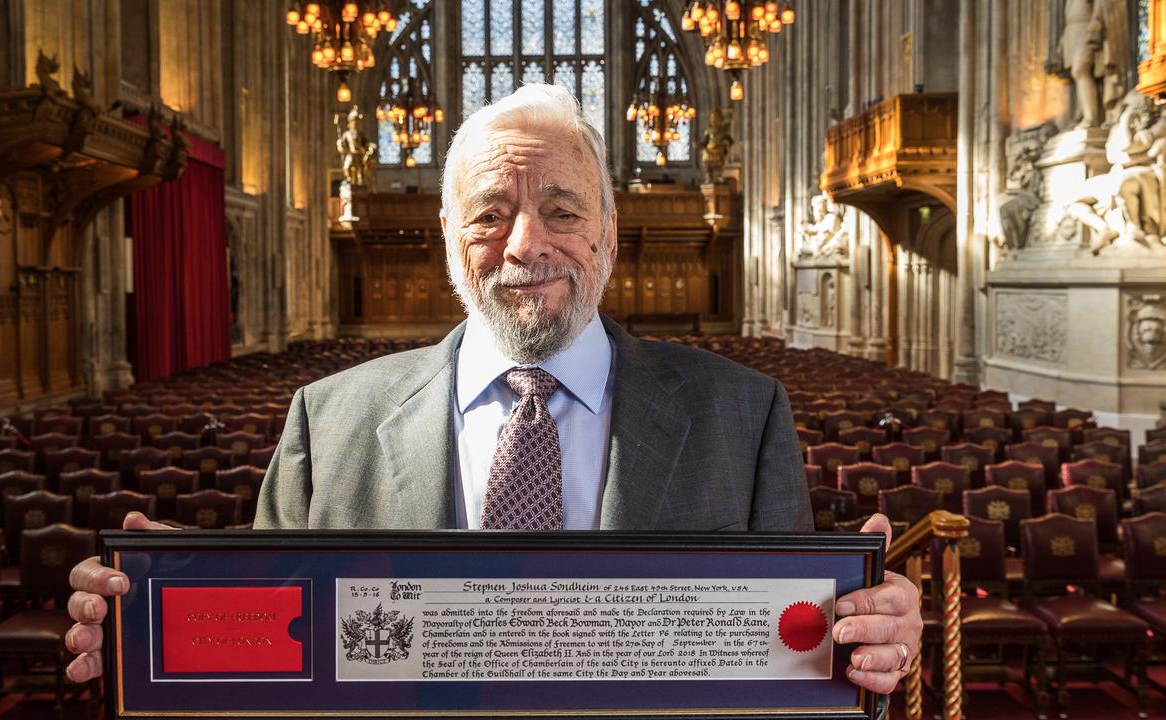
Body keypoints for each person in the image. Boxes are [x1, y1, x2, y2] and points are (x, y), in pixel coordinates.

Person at [65, 84, 922, 699]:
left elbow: (793, 664)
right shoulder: (330, 422)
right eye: (488, 213)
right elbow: (277, 662)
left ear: (611, 237)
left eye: (562, 210)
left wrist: (866, 641)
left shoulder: (744, 412)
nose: (524, 245)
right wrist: (158, 622)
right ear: (446, 236)